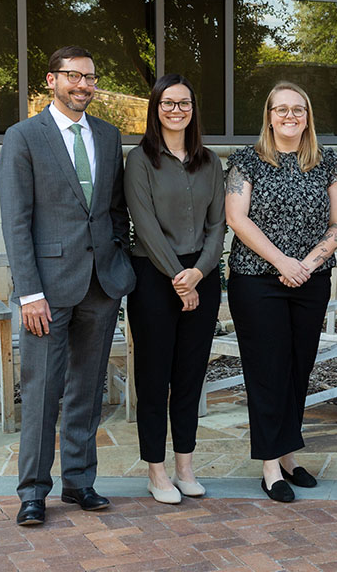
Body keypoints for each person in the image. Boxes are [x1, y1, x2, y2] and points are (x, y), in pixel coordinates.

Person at [0, 46, 136, 525]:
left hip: (100, 285)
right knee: (41, 390)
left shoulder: (108, 135)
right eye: (74, 76)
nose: (83, 85)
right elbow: (17, 222)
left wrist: (117, 256)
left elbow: (115, 208)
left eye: (91, 77)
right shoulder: (24, 137)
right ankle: (33, 491)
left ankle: (79, 482)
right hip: (48, 292)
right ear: (52, 80)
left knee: (87, 388)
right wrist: (29, 292)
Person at [225, 82, 337, 503]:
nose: (290, 116)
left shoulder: (327, 162)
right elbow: (237, 219)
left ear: (308, 115)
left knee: (298, 368)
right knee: (268, 371)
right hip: (257, 280)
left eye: (298, 109)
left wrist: (307, 265)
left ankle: (289, 454)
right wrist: (283, 263)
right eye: (282, 110)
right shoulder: (247, 161)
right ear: (269, 115)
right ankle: (270, 466)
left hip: (310, 282)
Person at [124, 74, 226, 504]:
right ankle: (156, 470)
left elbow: (218, 225)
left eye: (183, 103)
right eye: (168, 103)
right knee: (154, 377)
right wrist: (178, 280)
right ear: (155, 107)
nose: (176, 110)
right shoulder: (139, 160)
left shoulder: (211, 162)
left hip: (201, 278)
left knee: (189, 376)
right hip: (153, 278)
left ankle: (184, 466)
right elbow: (143, 227)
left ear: (193, 109)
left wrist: (198, 274)